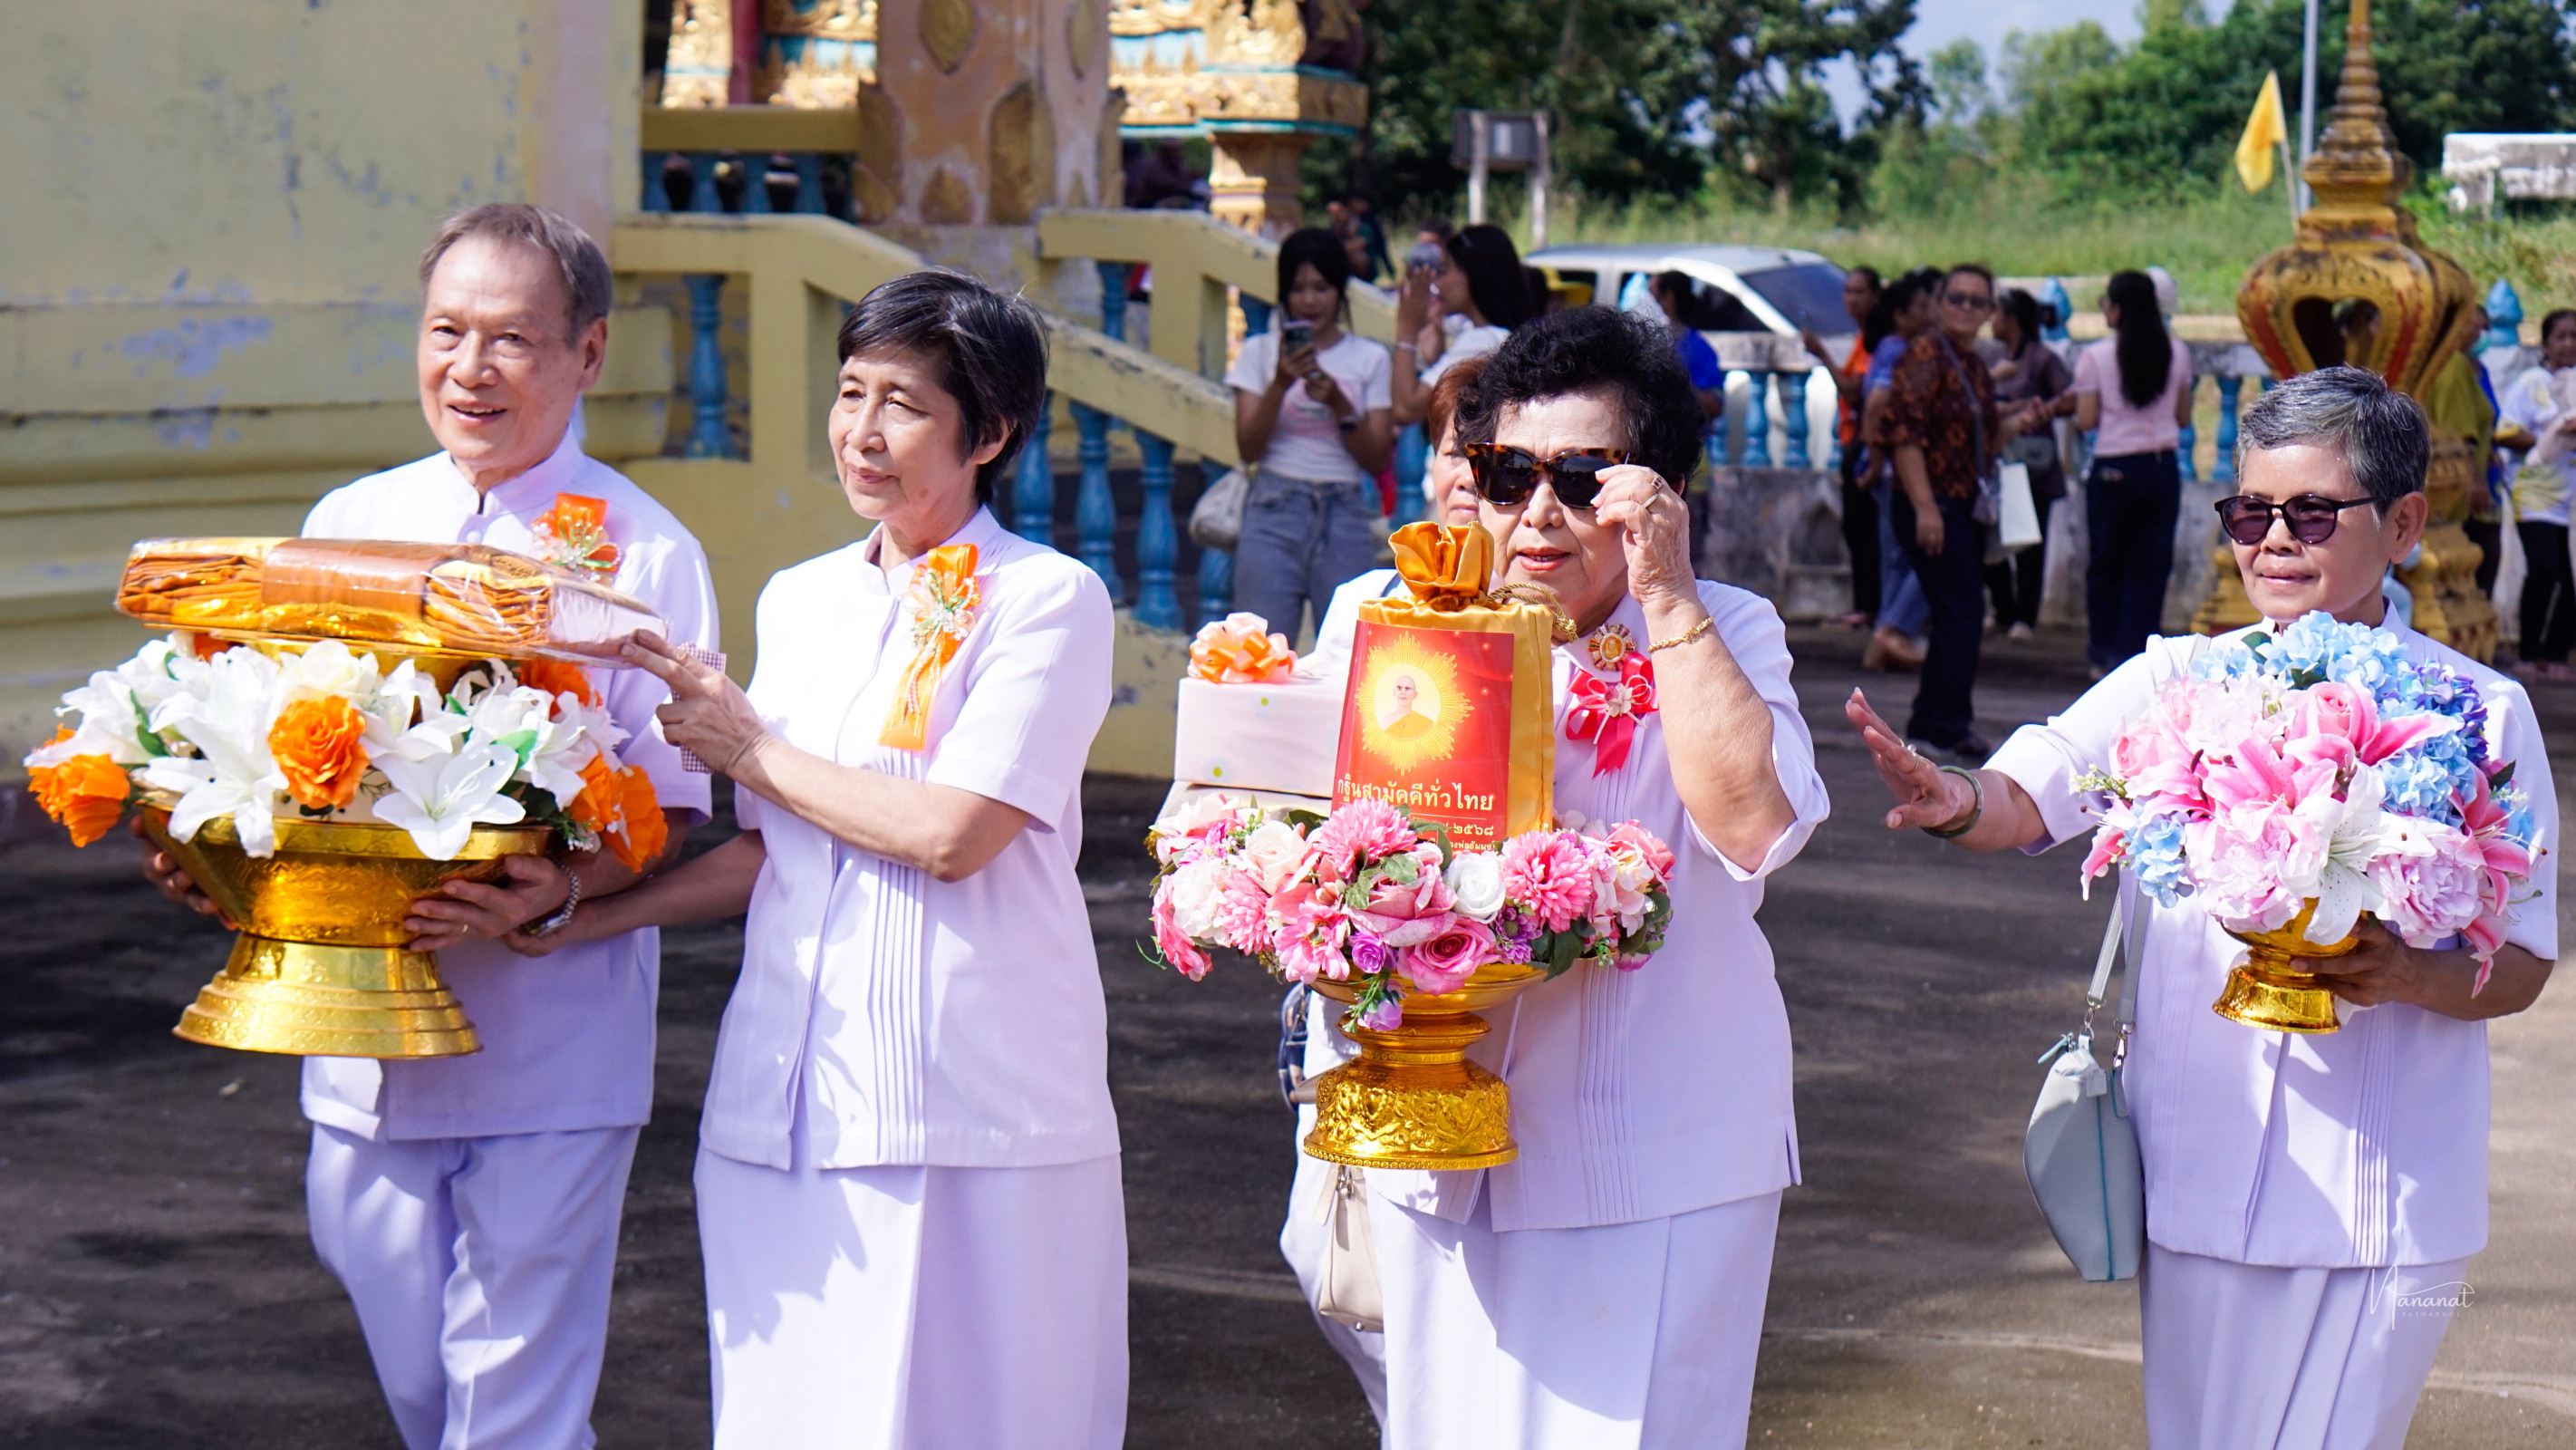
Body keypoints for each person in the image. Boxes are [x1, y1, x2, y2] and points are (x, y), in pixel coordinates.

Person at [1847, 365, 2556, 1450]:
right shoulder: (2172, 679)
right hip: (2199, 1182)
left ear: (2404, 522)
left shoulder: (2478, 711)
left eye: (2312, 512)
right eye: (2249, 512)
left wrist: (2404, 973)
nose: (2273, 539)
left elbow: (2520, 958)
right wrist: (1951, 799)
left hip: (2390, 1197)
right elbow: (2025, 794)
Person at [507, 270, 1125, 1447]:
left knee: (973, 1417)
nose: (862, 432)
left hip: (968, 1103)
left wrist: (750, 745)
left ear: (988, 433)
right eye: (850, 393)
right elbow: (767, 849)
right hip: (785, 1096)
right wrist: (576, 914)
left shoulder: (1046, 601)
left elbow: (953, 834)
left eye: (904, 404)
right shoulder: (801, 601)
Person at [136, 204, 718, 1449]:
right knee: (413, 1364)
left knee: (513, 1399)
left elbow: (666, 807)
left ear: (588, 354)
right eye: (447, 330)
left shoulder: (645, 553)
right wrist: (226, 862)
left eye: (511, 339)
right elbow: (272, 741)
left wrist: (554, 892)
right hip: (357, 1036)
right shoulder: (349, 521)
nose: (471, 369)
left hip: (547, 1034)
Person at [1341, 304, 1827, 1449]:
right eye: (1509, 474)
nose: (1539, 514)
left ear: (1652, 493)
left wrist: (1668, 597)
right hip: (1443, 1139)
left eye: (1582, 477)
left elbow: (1756, 826)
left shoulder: (1725, 629)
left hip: (1650, 1151)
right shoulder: (1402, 626)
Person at [1867, 263, 2013, 759]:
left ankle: (1935, 720)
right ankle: (1942, 724)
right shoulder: (1926, 354)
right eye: (1957, 298)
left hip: (1958, 500)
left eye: (1977, 301)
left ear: (1991, 311)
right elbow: (1904, 434)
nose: (1965, 308)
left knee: (1959, 613)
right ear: (1939, 303)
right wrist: (1926, 505)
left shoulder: (1968, 362)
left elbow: (1980, 438)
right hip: (1931, 500)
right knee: (1961, 612)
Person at [1225, 226, 1397, 643]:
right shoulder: (1260, 352)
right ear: (1283, 293)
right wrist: (1280, 383)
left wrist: (1339, 403)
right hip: (1273, 507)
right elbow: (1248, 447)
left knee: (1350, 653)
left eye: (1321, 287)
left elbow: (1376, 459)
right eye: (1298, 288)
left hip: (1344, 511)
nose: (1309, 300)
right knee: (1258, 649)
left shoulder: (1369, 358)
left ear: (1340, 291)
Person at [2071, 269, 2195, 672]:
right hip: (2160, 468)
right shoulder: (2175, 353)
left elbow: (2086, 420)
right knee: (2150, 566)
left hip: (2113, 467)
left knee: (2107, 563)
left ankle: (2103, 652)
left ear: (2117, 307)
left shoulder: (2095, 356)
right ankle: (2136, 656)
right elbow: (2182, 415)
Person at [1982, 287, 2077, 638]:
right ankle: (2004, 609)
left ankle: (2025, 616)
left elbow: (2070, 397)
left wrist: (2041, 409)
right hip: (1995, 461)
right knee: (1990, 540)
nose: (1991, 320)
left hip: (2031, 465)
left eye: (1997, 313)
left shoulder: (2042, 359)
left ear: (2013, 319)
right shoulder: (1991, 359)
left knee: (2029, 544)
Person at [1860, 270, 1941, 672]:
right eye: (1924, 306)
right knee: (1917, 558)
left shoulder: (1893, 348)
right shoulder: (1898, 351)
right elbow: (1878, 405)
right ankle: (1892, 631)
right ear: (1901, 314)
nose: (1931, 314)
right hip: (1894, 469)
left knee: (1897, 559)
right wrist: (1876, 461)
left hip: (1888, 467)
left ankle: (1887, 635)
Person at [1390, 223, 1534, 427]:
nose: (1436, 283)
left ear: (1474, 272)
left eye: (1444, 270)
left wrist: (1406, 331)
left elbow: (1406, 408)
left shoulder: (1482, 340)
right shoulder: (1496, 336)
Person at [2497, 308, 2576, 679]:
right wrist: (2554, 438)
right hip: (2536, 494)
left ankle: (2557, 655)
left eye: (2575, 336)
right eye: (2561, 335)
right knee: (2545, 570)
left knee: (2571, 577)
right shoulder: (2531, 382)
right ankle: (2529, 653)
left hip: (2572, 500)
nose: (2569, 343)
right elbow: (2506, 431)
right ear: (2545, 343)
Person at [1803, 266, 1883, 625]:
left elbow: (1854, 389)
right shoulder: (1861, 339)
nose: (1851, 299)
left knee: (1867, 531)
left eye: (1859, 292)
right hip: (1853, 440)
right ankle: (1866, 605)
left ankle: (1870, 607)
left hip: (1865, 445)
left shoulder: (1875, 343)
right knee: (1858, 530)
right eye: (1848, 291)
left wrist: (1822, 354)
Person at [1651, 270, 1725, 420]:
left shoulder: (1697, 347)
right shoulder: (1654, 342)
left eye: (1656, 299)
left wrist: (1675, 387)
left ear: (1669, 298)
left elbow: (1715, 404)